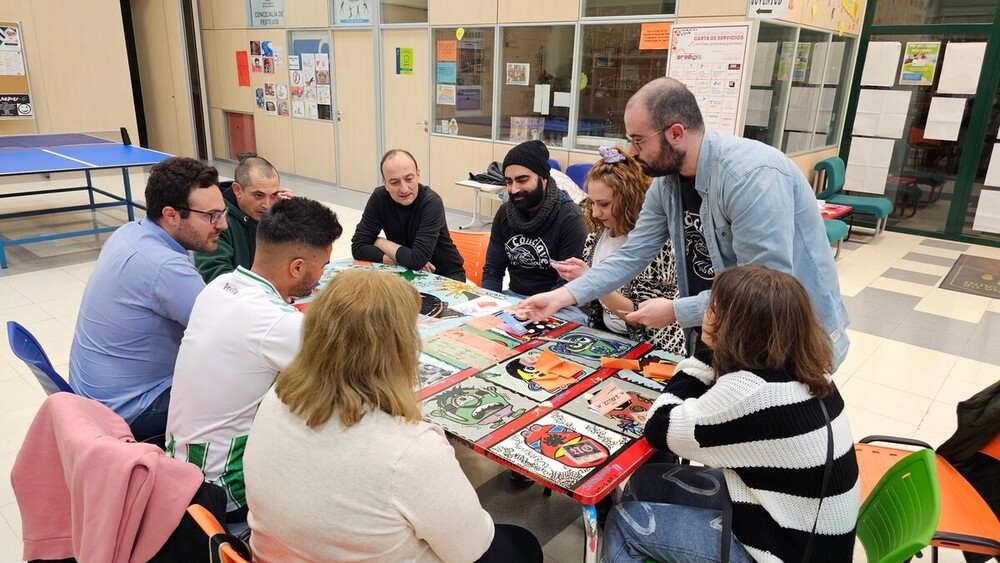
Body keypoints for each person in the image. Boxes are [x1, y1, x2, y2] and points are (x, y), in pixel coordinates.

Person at [520, 77, 850, 369]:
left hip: (788, 337)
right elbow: (631, 254)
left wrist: (677, 311)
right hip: (723, 328)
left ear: (676, 133)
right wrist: (563, 296)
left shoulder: (749, 177)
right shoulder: (668, 184)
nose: (633, 153)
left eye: (639, 140)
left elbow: (764, 293)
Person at [242, 269, 543, 562]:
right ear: (400, 348)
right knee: (522, 544)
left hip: (270, 553)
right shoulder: (410, 448)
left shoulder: (276, 395)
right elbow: (472, 549)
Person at [602, 265, 860, 563]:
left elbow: (659, 426)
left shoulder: (749, 393)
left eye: (713, 307)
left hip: (785, 552)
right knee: (645, 479)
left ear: (732, 325)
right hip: (804, 530)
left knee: (624, 522)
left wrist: (705, 348)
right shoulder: (813, 371)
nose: (707, 311)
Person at [166, 197, 342, 522]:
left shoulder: (220, 285)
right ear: (298, 267)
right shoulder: (278, 323)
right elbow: (354, 376)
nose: (323, 276)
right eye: (324, 266)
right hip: (223, 488)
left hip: (179, 465)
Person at [69, 157, 226, 444]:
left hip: (94, 396)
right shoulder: (165, 266)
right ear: (171, 214)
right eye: (211, 216)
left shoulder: (129, 233)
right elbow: (226, 335)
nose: (222, 224)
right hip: (131, 409)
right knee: (249, 393)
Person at [555, 147, 685, 356]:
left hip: (651, 349)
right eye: (592, 203)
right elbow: (596, 307)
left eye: (604, 204)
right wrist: (578, 282)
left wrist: (591, 281)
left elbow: (641, 318)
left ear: (629, 199)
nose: (596, 213)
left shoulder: (659, 245)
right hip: (606, 337)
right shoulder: (597, 237)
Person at [482, 140, 588, 324]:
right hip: (516, 299)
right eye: (509, 182)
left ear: (543, 179)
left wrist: (525, 314)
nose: (514, 189)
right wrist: (489, 307)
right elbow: (493, 270)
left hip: (562, 305)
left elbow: (567, 288)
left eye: (522, 180)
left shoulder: (570, 218)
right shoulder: (504, 213)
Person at [351, 149, 466, 281]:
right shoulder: (380, 198)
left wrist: (379, 241)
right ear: (385, 183)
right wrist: (404, 260)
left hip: (445, 276)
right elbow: (358, 247)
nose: (404, 189)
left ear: (418, 174)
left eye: (409, 179)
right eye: (395, 182)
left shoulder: (431, 203)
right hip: (406, 272)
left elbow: (416, 259)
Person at [194, 156, 292, 282]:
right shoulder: (214, 219)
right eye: (258, 195)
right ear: (237, 190)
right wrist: (267, 287)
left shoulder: (275, 212)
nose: (267, 205)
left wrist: (292, 217)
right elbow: (216, 276)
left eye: (273, 195)